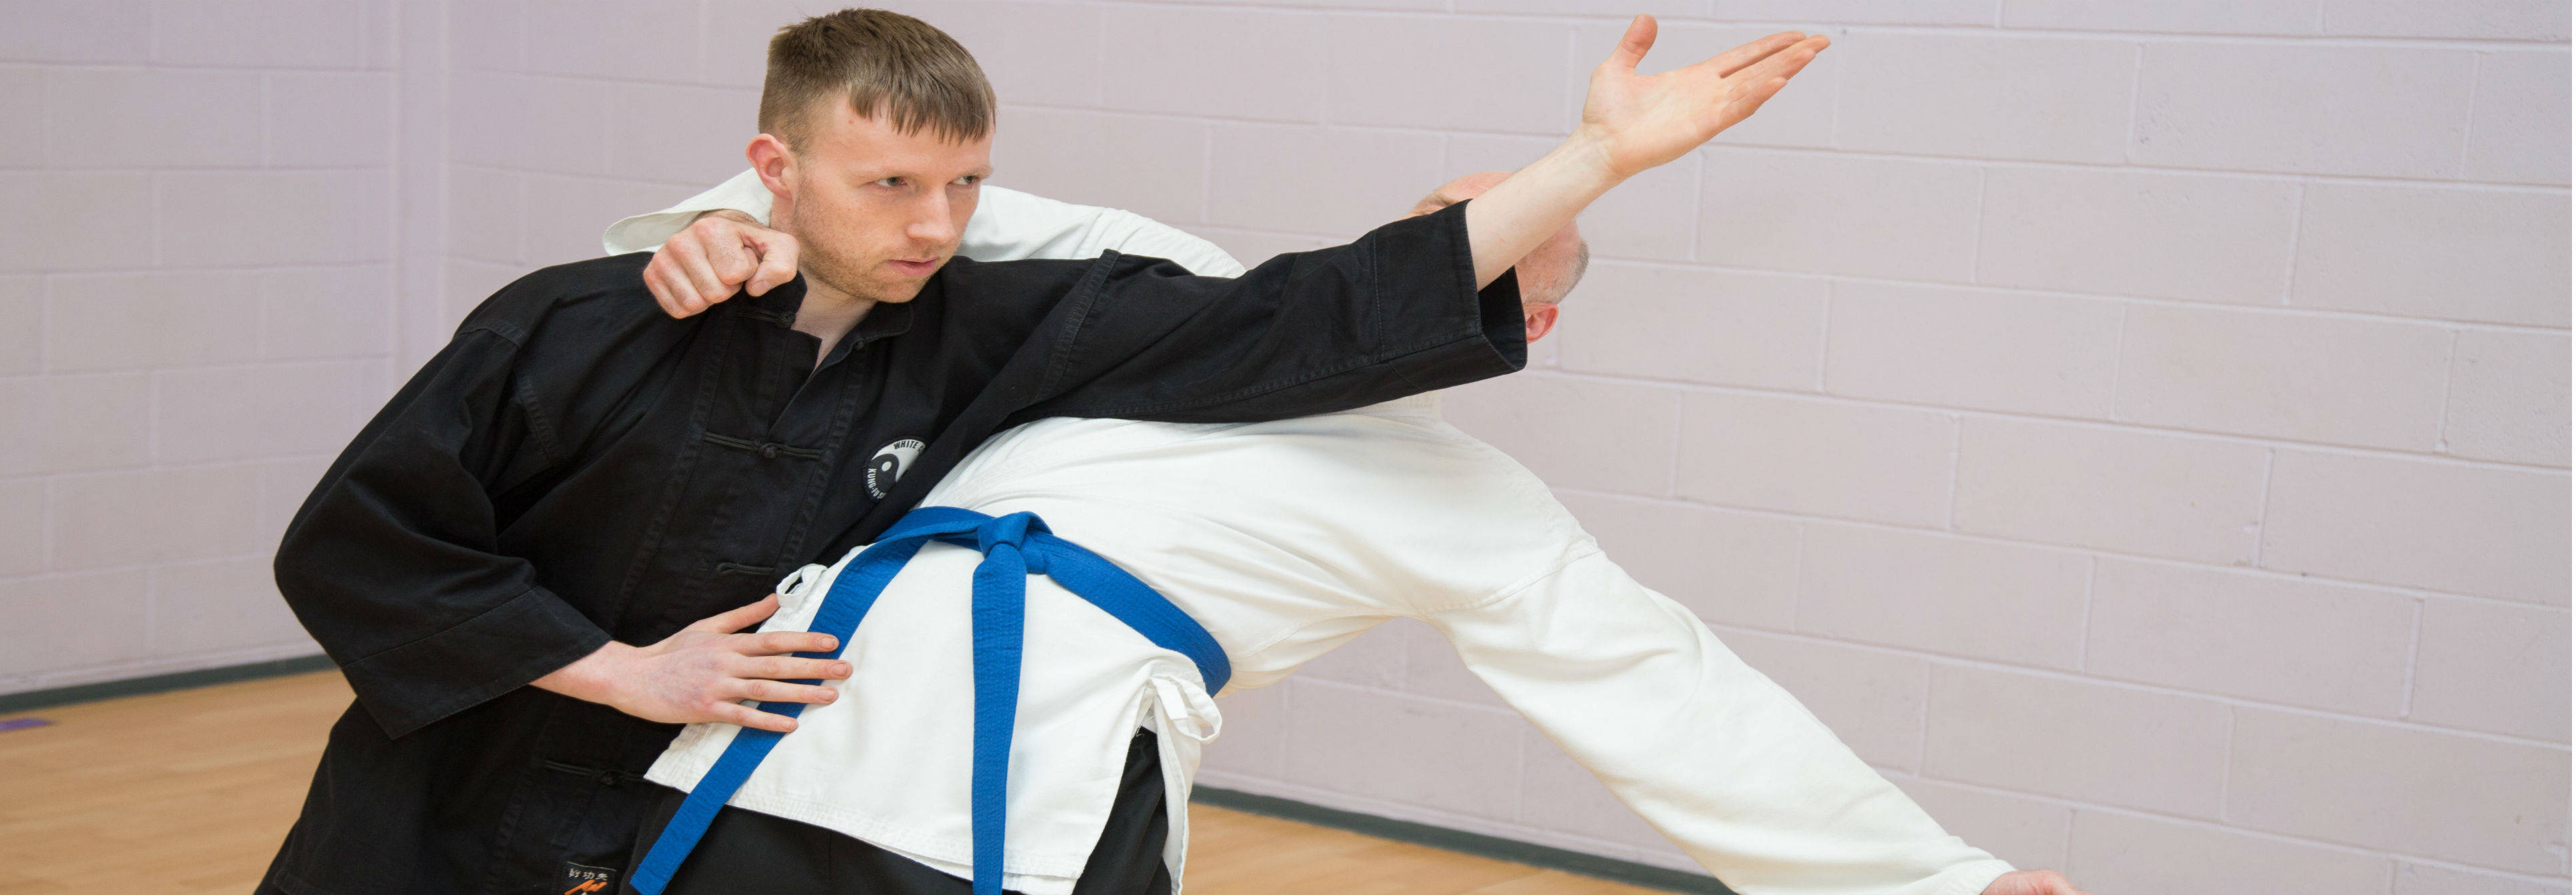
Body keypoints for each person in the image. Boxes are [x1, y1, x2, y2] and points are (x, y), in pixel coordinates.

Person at [262, 7, 1817, 895]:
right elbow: (357, 543)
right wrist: (621, 667)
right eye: (888, 185)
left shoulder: (995, 327)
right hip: (433, 812)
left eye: (963, 184)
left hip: (687, 817)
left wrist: (1596, 160)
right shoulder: (575, 322)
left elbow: (1299, 314)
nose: (933, 226)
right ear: (770, 169)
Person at [612, 179, 2093, 895]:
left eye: (1518, 275)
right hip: (803, 706)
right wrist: (725, 224)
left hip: (1045, 783)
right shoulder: (1164, 284)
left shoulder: (1461, 499)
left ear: (1532, 322)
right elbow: (875, 187)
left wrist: (1935, 880)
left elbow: (1662, 690)